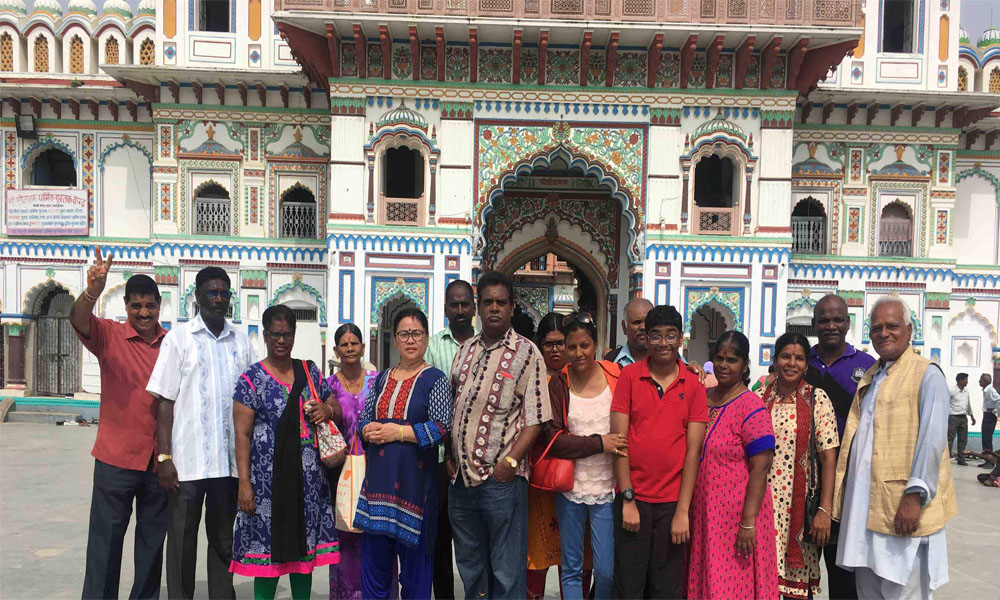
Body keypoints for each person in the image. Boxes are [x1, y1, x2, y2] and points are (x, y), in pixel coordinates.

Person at [834, 297, 956, 599]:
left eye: (892, 326)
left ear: (909, 329)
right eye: (877, 328)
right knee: (869, 592)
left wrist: (914, 497)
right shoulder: (873, 376)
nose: (884, 333)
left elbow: (931, 441)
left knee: (904, 591)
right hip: (866, 514)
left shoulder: (927, 374)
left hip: (903, 511)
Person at [147, 266, 257, 600]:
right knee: (182, 541)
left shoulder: (241, 340)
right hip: (188, 463)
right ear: (197, 296)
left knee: (224, 539)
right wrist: (164, 457)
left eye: (224, 292)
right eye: (212, 292)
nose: (219, 298)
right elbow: (164, 401)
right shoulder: (179, 339)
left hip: (226, 465)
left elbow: (252, 396)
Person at [447, 271, 552, 599]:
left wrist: (509, 461)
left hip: (501, 483)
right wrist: (450, 459)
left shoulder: (527, 352)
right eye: (488, 302)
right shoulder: (465, 351)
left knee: (506, 572)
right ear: (478, 307)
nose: (494, 308)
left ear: (511, 308)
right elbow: (454, 405)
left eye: (501, 302)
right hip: (461, 482)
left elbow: (536, 419)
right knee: (471, 567)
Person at [71, 249, 169, 600]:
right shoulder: (109, 336)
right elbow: (78, 319)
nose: (143, 313)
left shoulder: (171, 344)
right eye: (136, 306)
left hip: (159, 463)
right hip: (116, 459)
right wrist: (93, 291)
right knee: (105, 542)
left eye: (150, 306)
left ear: (160, 306)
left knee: (152, 544)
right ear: (126, 307)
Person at [231, 305, 342, 599]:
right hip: (267, 486)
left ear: (294, 335)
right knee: (267, 557)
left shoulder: (309, 371)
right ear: (265, 336)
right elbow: (241, 435)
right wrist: (244, 484)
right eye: (276, 334)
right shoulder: (251, 380)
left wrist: (327, 409)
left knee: (302, 558)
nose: (281, 340)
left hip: (307, 485)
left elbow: (337, 409)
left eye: (287, 334)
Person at [355, 307, 453, 600]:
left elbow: (441, 429)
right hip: (377, 489)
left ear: (425, 340)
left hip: (416, 490)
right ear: (395, 340)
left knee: (415, 576)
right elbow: (364, 418)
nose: (411, 340)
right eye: (404, 334)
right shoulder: (383, 378)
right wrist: (367, 429)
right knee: (374, 574)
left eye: (417, 334)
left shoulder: (435, 379)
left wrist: (398, 432)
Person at [610, 305, 708, 599]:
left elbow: (693, 452)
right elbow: (619, 440)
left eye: (670, 336)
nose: (663, 343)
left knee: (666, 589)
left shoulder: (693, 385)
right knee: (629, 586)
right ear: (646, 337)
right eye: (656, 336)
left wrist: (682, 512)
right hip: (634, 501)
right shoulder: (629, 377)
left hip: (671, 505)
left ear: (681, 339)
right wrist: (628, 499)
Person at [687, 330, 778, 600]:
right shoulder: (702, 399)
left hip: (736, 518)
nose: (724, 365)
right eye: (719, 358)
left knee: (731, 586)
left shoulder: (752, 407)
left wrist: (748, 523)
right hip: (704, 515)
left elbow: (761, 469)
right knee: (705, 581)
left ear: (745, 365)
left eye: (732, 360)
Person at [544, 312, 626, 600]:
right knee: (571, 568)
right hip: (571, 488)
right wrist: (599, 443)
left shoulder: (616, 377)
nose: (578, 353)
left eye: (585, 346)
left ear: (596, 344)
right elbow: (555, 441)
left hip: (607, 488)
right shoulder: (559, 384)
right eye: (572, 347)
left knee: (605, 570)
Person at [805, 293, 875, 600]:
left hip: (847, 484)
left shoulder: (867, 366)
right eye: (824, 320)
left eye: (837, 320)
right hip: (804, 481)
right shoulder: (799, 362)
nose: (830, 326)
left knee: (843, 573)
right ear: (814, 324)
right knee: (800, 571)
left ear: (848, 323)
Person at [761, 332, 839, 600]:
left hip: (799, 512)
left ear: (806, 364)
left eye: (799, 358)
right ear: (775, 359)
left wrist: (824, 511)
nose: (791, 363)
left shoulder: (817, 399)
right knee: (761, 584)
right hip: (762, 508)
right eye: (785, 356)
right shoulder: (760, 398)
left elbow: (829, 458)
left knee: (796, 591)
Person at [424, 279, 475, 600]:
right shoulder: (433, 345)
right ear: (445, 308)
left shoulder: (485, 345)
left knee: (473, 540)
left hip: (476, 459)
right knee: (440, 538)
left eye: (464, 304)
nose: (459, 310)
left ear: (473, 307)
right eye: (453, 305)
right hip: (441, 458)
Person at [327, 323, 379, 600]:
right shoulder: (328, 387)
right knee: (345, 537)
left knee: (375, 537)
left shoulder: (377, 381)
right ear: (336, 350)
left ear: (362, 347)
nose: (349, 348)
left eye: (354, 343)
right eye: (344, 344)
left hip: (375, 470)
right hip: (341, 475)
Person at [527, 312, 567, 600]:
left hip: (575, 479)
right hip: (539, 478)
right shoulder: (532, 378)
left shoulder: (582, 377)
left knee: (575, 558)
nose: (556, 350)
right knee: (536, 556)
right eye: (549, 343)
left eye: (561, 343)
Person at [603, 298, 653, 367]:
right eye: (636, 322)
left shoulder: (667, 361)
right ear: (624, 327)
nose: (643, 327)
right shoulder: (611, 360)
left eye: (647, 322)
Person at [947, 373, 975, 465]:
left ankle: (961, 459)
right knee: (950, 438)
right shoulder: (951, 391)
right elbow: (945, 403)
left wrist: (972, 416)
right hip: (953, 417)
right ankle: (947, 458)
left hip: (963, 418)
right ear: (960, 380)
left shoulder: (966, 391)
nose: (967, 382)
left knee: (963, 439)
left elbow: (968, 405)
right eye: (966, 380)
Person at [979, 374, 999, 467]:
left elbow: (999, 400)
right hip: (987, 414)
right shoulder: (986, 390)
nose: (979, 381)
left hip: (990, 416)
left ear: (986, 381)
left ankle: (990, 462)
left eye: (981, 380)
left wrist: (995, 411)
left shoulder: (991, 390)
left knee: (987, 438)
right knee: (984, 437)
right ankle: (986, 460)